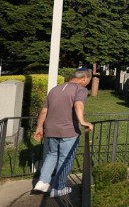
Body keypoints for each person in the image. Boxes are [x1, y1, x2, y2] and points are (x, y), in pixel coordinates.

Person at [32, 68, 94, 197]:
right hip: (69, 131)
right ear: (84, 78)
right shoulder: (80, 90)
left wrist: (39, 127)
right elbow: (78, 104)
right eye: (89, 80)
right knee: (65, 159)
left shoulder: (55, 89)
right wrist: (82, 121)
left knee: (51, 154)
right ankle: (58, 188)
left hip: (50, 130)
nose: (88, 83)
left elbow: (44, 111)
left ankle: (42, 182)